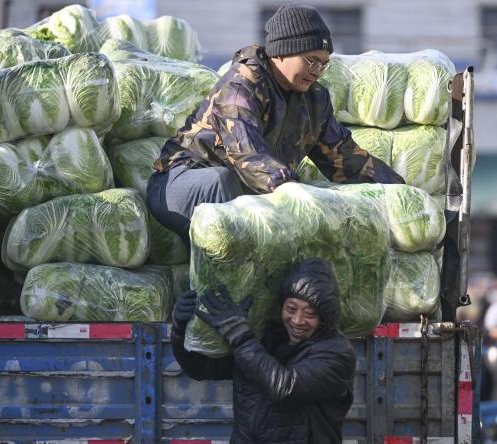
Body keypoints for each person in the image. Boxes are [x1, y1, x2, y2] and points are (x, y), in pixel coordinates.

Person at [147, 4, 404, 247]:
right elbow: (246, 151)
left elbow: (346, 160)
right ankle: (211, 293)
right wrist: (290, 189)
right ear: (281, 51)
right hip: (180, 183)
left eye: (324, 64)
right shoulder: (241, 84)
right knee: (222, 183)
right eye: (311, 60)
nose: (317, 71)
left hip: (247, 189)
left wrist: (399, 192)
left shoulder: (314, 101)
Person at [170, 257, 356, 443]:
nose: (298, 320)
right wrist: (179, 329)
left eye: (310, 314)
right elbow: (200, 368)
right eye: (291, 308)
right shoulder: (266, 340)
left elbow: (286, 387)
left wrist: (238, 334)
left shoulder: (337, 354)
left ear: (325, 317)